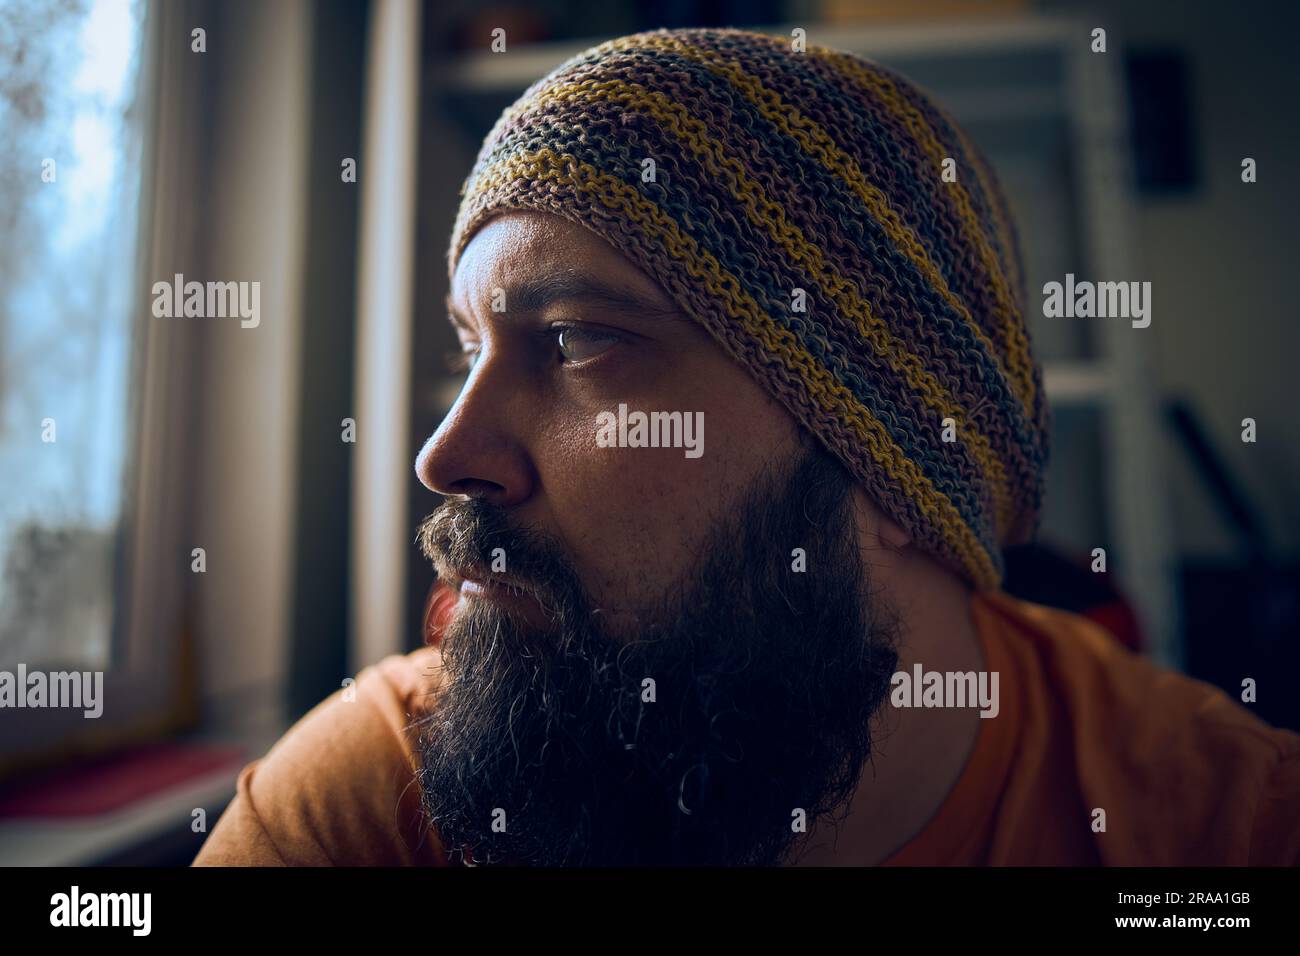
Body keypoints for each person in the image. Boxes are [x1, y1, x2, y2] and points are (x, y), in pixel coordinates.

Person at [193, 27, 1300, 867]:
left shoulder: (1222, 828)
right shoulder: (367, 799)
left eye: (577, 340)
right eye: (470, 344)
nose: (446, 455)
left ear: (891, 462)